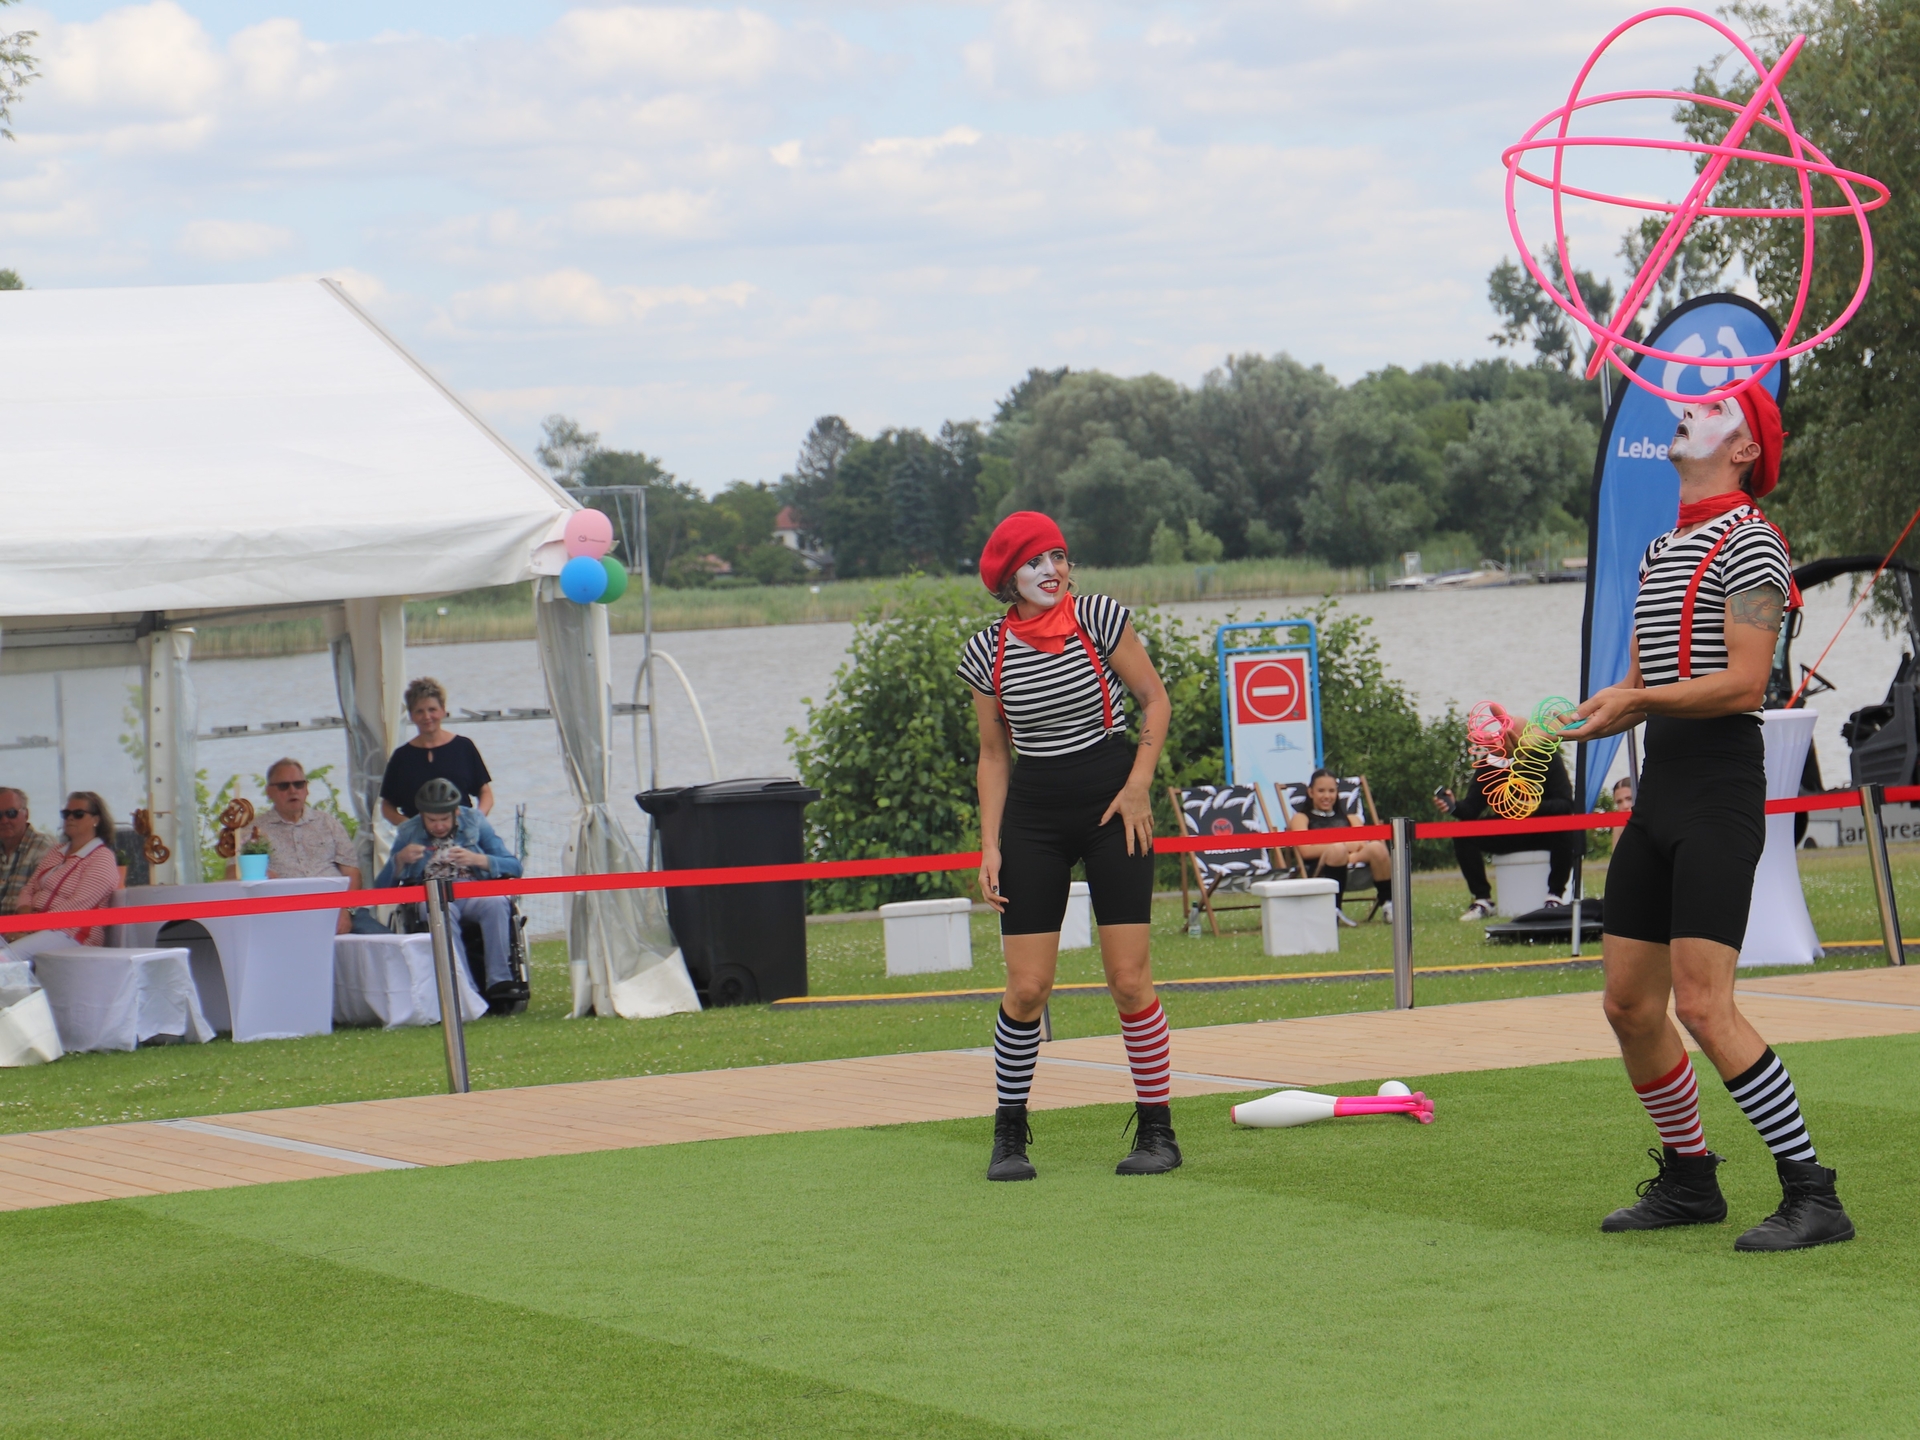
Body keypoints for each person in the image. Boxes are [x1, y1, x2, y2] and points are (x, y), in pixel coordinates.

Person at [1564, 382, 1853, 1252]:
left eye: (1718, 407)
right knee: (1628, 1006)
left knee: (1703, 1003)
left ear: (1744, 450)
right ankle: (1691, 1181)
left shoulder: (1756, 544)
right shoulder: (1660, 548)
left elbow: (1744, 684)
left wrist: (1635, 701)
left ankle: (1813, 1194)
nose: (1689, 406)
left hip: (1720, 787)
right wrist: (1557, 725)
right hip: (1660, 790)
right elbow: (1636, 684)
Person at [959, 511, 1178, 1181]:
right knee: (1027, 988)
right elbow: (993, 754)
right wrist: (989, 845)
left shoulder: (1100, 618)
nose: (1052, 570)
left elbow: (1155, 701)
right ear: (1009, 577)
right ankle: (1009, 1135)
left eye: (1058, 556)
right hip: (1033, 816)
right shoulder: (986, 652)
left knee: (1128, 980)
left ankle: (1158, 1131)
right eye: (1035, 561)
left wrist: (1139, 785)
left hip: (1115, 806)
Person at [374, 777, 523, 1003]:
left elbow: (514, 866)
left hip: (471, 890)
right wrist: (399, 860)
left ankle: (500, 981)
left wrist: (479, 860)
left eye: (444, 819)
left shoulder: (474, 821)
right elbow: (381, 889)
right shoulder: (408, 831)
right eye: (431, 820)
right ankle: (464, 988)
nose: (439, 826)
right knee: (441, 913)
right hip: (432, 894)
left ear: (456, 812)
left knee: (496, 902)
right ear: (422, 815)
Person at [1435, 705, 1578, 923]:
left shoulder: (1547, 756)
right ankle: (1483, 899)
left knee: (1565, 826)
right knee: (1463, 833)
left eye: (1514, 734)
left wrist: (1532, 806)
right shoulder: (1491, 763)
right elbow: (1471, 810)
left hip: (1543, 828)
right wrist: (1453, 805)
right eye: (1504, 734)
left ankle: (1555, 895)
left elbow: (1566, 804)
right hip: (1508, 829)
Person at [231, 758, 363, 934]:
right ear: (269, 792)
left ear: (306, 789)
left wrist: (346, 910)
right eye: (284, 786)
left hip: (338, 910)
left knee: (384, 941)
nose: (293, 791)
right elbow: (232, 873)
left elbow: (352, 872)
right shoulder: (254, 831)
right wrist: (257, 874)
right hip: (287, 916)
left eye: (298, 784)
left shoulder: (328, 823)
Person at [6, 791, 121, 962]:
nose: (70, 818)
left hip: (71, 933)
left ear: (96, 820)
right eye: (66, 814)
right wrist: (24, 918)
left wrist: (30, 927)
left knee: (4, 957)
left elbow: (77, 906)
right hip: (35, 927)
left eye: (78, 814)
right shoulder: (56, 851)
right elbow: (29, 889)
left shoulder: (102, 858)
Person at [380, 678, 494, 824]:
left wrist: (477, 818)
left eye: (432, 710)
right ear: (411, 716)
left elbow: (485, 792)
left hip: (462, 828)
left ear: (443, 711)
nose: (427, 717)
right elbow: (387, 805)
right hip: (418, 831)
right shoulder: (402, 757)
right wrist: (408, 825)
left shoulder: (463, 747)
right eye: (419, 711)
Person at [1286, 769, 1392, 924]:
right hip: (1320, 870)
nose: (1327, 796)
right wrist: (1343, 847)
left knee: (1377, 847)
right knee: (1337, 850)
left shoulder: (1351, 818)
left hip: (1354, 867)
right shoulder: (1301, 818)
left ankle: (1388, 904)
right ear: (1310, 792)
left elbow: (1362, 844)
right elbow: (1306, 851)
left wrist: (1347, 853)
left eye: (1331, 791)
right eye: (1321, 791)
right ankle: (1334, 909)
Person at [0, 787, 55, 915]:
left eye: (11, 813)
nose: (4, 820)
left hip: (23, 925)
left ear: (26, 814)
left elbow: (46, 902)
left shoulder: (43, 847)